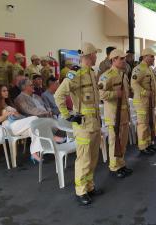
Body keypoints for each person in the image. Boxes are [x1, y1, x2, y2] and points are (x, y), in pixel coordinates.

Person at [54, 42, 103, 206]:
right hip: (83, 126)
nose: (97, 57)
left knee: (93, 158)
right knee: (84, 160)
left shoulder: (91, 73)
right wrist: (67, 116)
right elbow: (58, 95)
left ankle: (89, 186)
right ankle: (81, 191)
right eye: (95, 54)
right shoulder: (74, 75)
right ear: (89, 56)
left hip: (94, 124)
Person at [98, 49, 133, 178]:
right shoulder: (107, 76)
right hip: (113, 116)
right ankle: (114, 166)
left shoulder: (122, 74)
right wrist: (114, 94)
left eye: (124, 58)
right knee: (114, 141)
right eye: (121, 59)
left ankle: (121, 164)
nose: (124, 61)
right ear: (114, 60)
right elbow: (100, 94)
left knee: (123, 141)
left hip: (124, 114)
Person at [0, 84, 40, 162]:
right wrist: (6, 114)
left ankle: (34, 153)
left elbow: (21, 117)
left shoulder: (8, 103)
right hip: (7, 127)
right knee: (35, 118)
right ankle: (51, 138)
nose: (6, 92)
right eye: (4, 91)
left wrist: (17, 115)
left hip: (17, 124)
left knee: (35, 129)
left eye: (7, 90)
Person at [131, 48, 156, 155]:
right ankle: (143, 147)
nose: (153, 58)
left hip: (149, 101)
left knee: (148, 123)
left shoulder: (149, 68)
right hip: (141, 101)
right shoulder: (139, 69)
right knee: (142, 124)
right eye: (151, 56)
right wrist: (146, 92)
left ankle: (148, 144)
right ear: (145, 56)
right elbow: (134, 84)